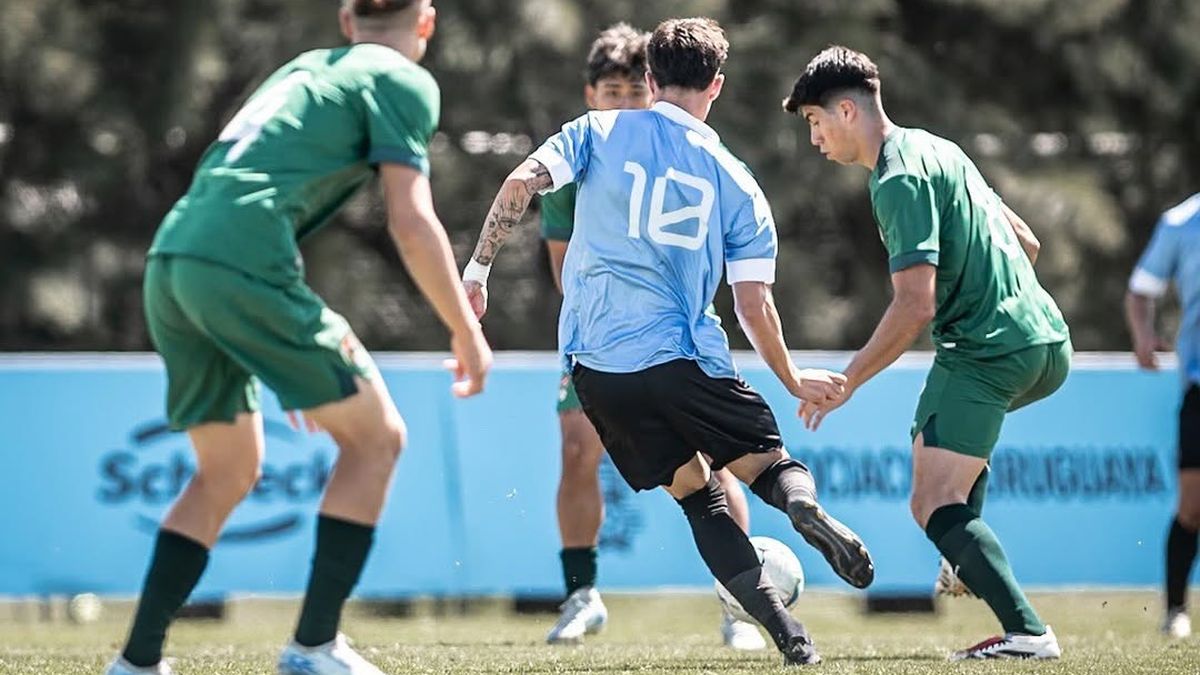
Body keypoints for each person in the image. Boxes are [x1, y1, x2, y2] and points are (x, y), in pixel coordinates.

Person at [463, 18, 874, 666]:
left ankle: (790, 636)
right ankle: (801, 507)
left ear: (650, 78)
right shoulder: (737, 180)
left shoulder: (596, 130)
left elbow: (520, 184)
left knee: (697, 498)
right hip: (685, 361)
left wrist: (478, 271)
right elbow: (753, 305)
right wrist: (793, 378)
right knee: (766, 469)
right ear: (717, 85)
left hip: (599, 370)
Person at [105, 2, 492, 674]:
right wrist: (465, 330)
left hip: (175, 257)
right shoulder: (401, 77)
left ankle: (136, 663)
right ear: (426, 22)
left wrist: (279, 354)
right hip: (240, 262)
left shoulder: (306, 68)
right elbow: (410, 220)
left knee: (227, 470)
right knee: (377, 440)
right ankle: (313, 646)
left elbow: (250, 185)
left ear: (346, 20)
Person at [783, 46, 1071, 660]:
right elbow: (1027, 242)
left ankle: (1028, 633)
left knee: (932, 501)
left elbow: (916, 305)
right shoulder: (939, 148)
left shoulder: (897, 178)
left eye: (814, 121)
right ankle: (963, 557)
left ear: (846, 110)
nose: (814, 139)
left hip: (986, 350)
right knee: (930, 439)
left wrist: (848, 380)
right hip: (1045, 338)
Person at [538, 22, 763, 651]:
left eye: (634, 92)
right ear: (591, 95)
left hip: (678, 342)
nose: (623, 103)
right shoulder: (579, 156)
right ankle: (581, 594)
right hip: (600, 339)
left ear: (655, 90)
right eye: (610, 92)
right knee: (577, 450)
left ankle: (738, 608)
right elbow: (564, 271)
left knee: (716, 464)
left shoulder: (693, 156)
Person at [1125, 192, 1200, 639]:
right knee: (1192, 506)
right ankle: (1175, 610)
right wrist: (1143, 336)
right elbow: (1141, 290)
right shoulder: (1182, 223)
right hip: (1198, 384)